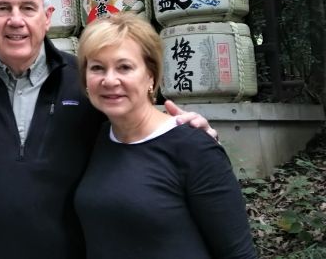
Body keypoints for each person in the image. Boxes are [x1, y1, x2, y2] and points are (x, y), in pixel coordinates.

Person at [0, 0, 217, 258]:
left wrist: (183, 137)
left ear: (47, 16)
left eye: (28, 8)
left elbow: (133, 136)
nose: (15, 20)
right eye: (3, 7)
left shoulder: (85, 82)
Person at [74, 14, 256, 258]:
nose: (109, 80)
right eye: (97, 67)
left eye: (124, 67)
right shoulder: (96, 139)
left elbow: (238, 253)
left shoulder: (192, 147)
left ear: (151, 75)